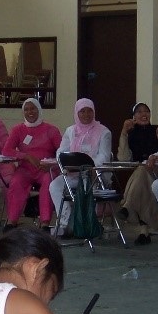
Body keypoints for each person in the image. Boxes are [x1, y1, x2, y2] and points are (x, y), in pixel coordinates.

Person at [49, 98, 111, 236]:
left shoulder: (104, 132)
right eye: (82, 111)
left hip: (94, 174)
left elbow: (104, 156)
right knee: (55, 186)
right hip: (72, 172)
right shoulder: (70, 131)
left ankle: (86, 224)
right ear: (77, 113)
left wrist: (87, 165)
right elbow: (61, 152)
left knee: (86, 185)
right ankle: (66, 223)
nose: (86, 114)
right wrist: (67, 162)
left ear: (94, 112)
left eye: (89, 111)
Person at [1, 97, 62, 231]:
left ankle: (45, 222)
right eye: (26, 109)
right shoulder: (18, 129)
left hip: (45, 169)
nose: (30, 112)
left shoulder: (51, 130)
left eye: (33, 108)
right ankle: (12, 221)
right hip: (25, 169)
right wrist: (26, 156)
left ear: (39, 109)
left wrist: (51, 164)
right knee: (16, 182)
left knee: (48, 183)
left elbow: (62, 152)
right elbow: (6, 150)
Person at [116, 102, 158, 245]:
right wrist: (123, 133)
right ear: (133, 116)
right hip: (144, 175)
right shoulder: (131, 134)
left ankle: (127, 206)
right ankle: (144, 232)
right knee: (143, 176)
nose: (143, 114)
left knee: (141, 171)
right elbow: (123, 158)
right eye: (139, 112)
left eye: (146, 111)